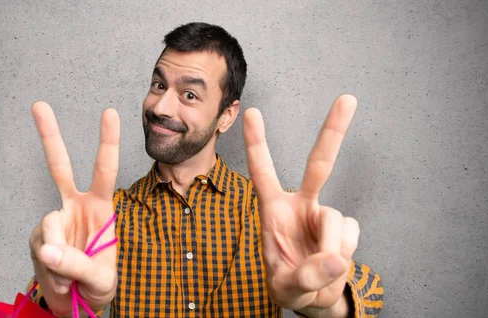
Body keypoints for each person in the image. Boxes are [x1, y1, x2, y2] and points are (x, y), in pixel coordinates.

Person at [26, 22, 383, 317]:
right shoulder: (104, 219)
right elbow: (40, 299)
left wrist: (330, 306)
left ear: (226, 115)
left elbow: (370, 290)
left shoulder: (274, 215)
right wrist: (61, 308)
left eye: (190, 95)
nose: (160, 106)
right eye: (159, 84)